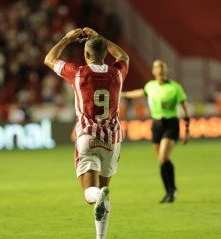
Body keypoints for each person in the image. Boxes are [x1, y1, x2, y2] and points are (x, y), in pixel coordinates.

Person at [44, 27, 129, 239]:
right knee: (104, 189)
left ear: (87, 54)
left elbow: (49, 58)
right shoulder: (117, 73)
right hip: (112, 139)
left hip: (87, 137)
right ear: (104, 53)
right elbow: (123, 56)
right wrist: (98, 36)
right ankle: (100, 237)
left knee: (90, 193)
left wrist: (66, 39)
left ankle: (98, 195)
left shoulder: (79, 73)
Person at [122, 59, 190, 203]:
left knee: (163, 156)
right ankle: (170, 191)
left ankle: (171, 191)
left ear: (166, 70)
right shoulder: (150, 86)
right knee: (161, 160)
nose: (160, 70)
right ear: (153, 71)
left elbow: (185, 108)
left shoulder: (175, 88)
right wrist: (123, 94)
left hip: (171, 123)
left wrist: (187, 129)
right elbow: (140, 93)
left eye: (162, 67)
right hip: (156, 125)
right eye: (157, 67)